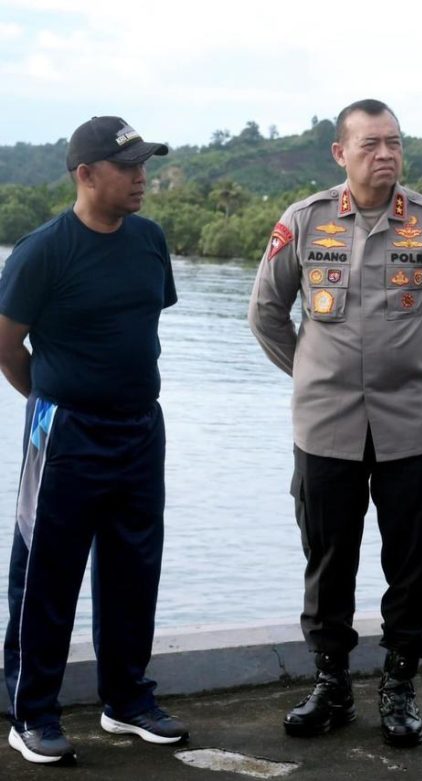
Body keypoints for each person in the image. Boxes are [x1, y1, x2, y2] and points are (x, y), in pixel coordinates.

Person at [247, 98, 422, 747]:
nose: (386, 154)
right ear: (340, 153)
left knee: (414, 556)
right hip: (325, 425)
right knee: (327, 554)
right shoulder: (305, 220)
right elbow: (267, 311)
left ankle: (400, 683)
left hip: (412, 422)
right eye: (372, 143)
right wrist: (311, 374)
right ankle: (331, 682)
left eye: (395, 143)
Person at [0, 116, 188, 765]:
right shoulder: (43, 249)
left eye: (145, 164)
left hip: (140, 427)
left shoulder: (149, 240)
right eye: (128, 167)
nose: (142, 178)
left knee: (135, 568)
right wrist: (52, 399)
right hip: (65, 430)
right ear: (85, 174)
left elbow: (136, 329)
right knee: (47, 570)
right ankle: (31, 714)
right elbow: (5, 343)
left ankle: (126, 699)